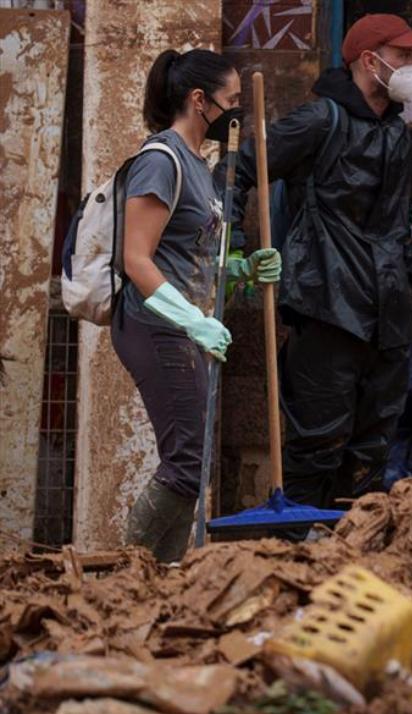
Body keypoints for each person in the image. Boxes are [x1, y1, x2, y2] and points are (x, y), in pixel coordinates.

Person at [224, 14, 412, 512]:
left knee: (371, 454)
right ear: (370, 62)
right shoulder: (319, 121)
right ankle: (296, 556)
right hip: (327, 307)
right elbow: (237, 170)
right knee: (316, 449)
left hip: (386, 318)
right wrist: (237, 248)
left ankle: (355, 557)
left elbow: (393, 237)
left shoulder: (395, 134)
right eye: (406, 56)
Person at [116, 48, 281, 562]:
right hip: (154, 325)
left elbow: (188, 255)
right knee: (186, 461)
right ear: (198, 100)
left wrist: (241, 270)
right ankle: (122, 575)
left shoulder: (200, 168)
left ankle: (161, 581)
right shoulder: (160, 161)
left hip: (185, 328)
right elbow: (137, 260)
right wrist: (195, 320)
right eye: (231, 101)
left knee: (190, 462)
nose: (236, 110)